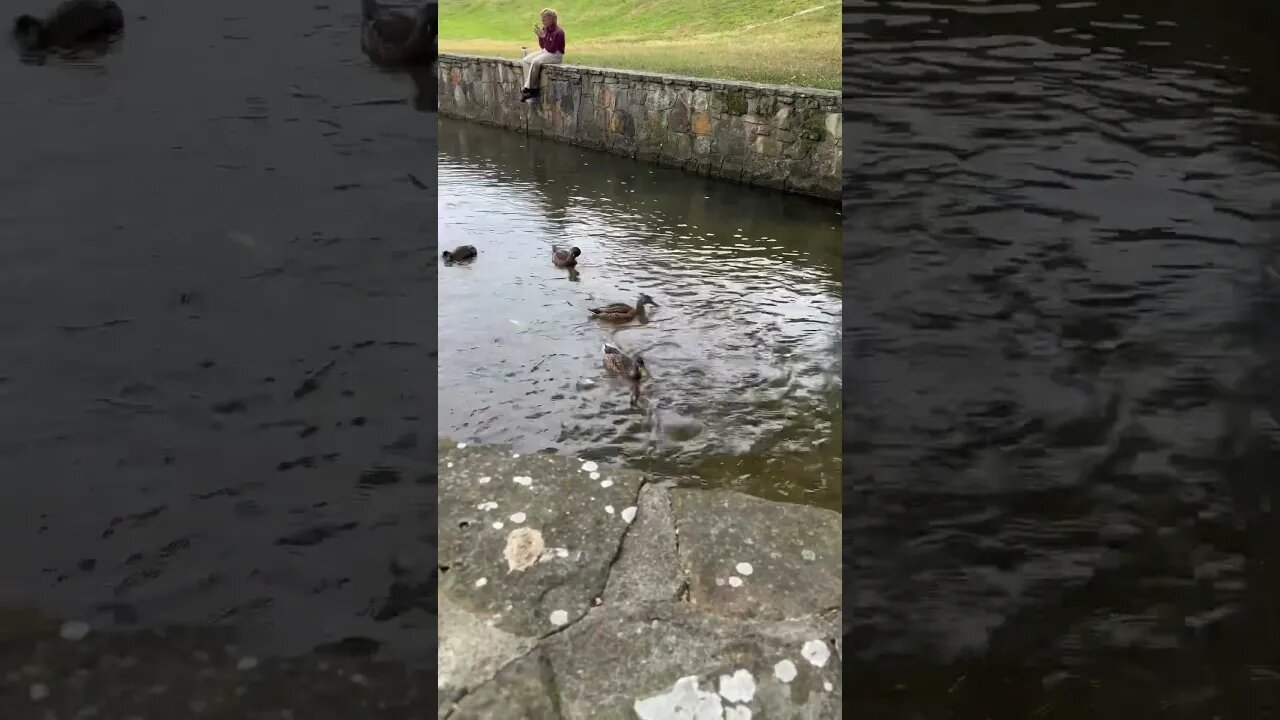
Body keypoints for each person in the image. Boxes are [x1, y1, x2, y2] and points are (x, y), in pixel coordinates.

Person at [519, 8, 565, 101]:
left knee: (536, 61)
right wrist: (540, 37)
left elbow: (552, 49)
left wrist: (543, 37)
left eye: (545, 18)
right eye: (542, 18)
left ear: (552, 19)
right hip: (546, 51)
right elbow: (543, 46)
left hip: (555, 55)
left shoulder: (559, 32)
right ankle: (530, 86)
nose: (542, 20)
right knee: (525, 60)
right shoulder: (545, 29)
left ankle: (530, 89)